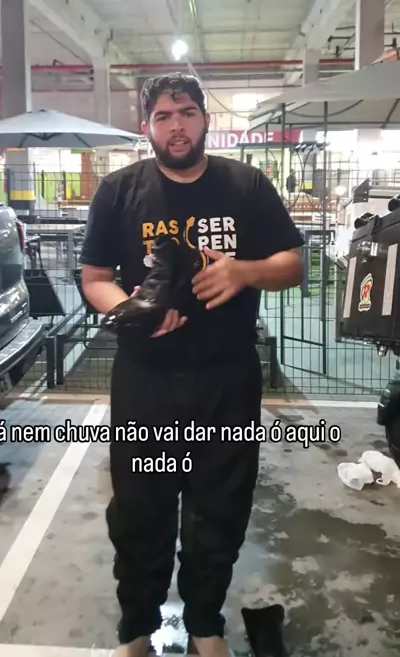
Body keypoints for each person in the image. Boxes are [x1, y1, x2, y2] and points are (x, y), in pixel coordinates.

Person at [80, 73, 304, 657]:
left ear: (206, 119)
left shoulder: (246, 185)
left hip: (226, 378)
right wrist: (130, 312)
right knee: (141, 509)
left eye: (186, 113)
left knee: (219, 508)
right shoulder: (119, 190)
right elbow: (95, 278)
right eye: (163, 116)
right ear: (147, 126)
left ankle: (205, 623)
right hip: (146, 381)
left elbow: (294, 263)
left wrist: (245, 271)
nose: (175, 126)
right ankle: (137, 628)